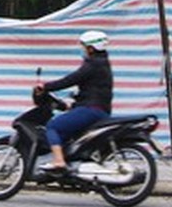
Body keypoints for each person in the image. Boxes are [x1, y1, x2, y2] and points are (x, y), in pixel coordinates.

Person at [35, 30, 113, 175]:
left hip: (91, 109)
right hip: (99, 109)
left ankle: (58, 161)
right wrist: (74, 103)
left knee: (53, 126)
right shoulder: (103, 64)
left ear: (91, 48)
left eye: (83, 46)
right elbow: (93, 89)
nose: (82, 50)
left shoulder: (92, 65)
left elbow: (70, 80)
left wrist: (45, 87)